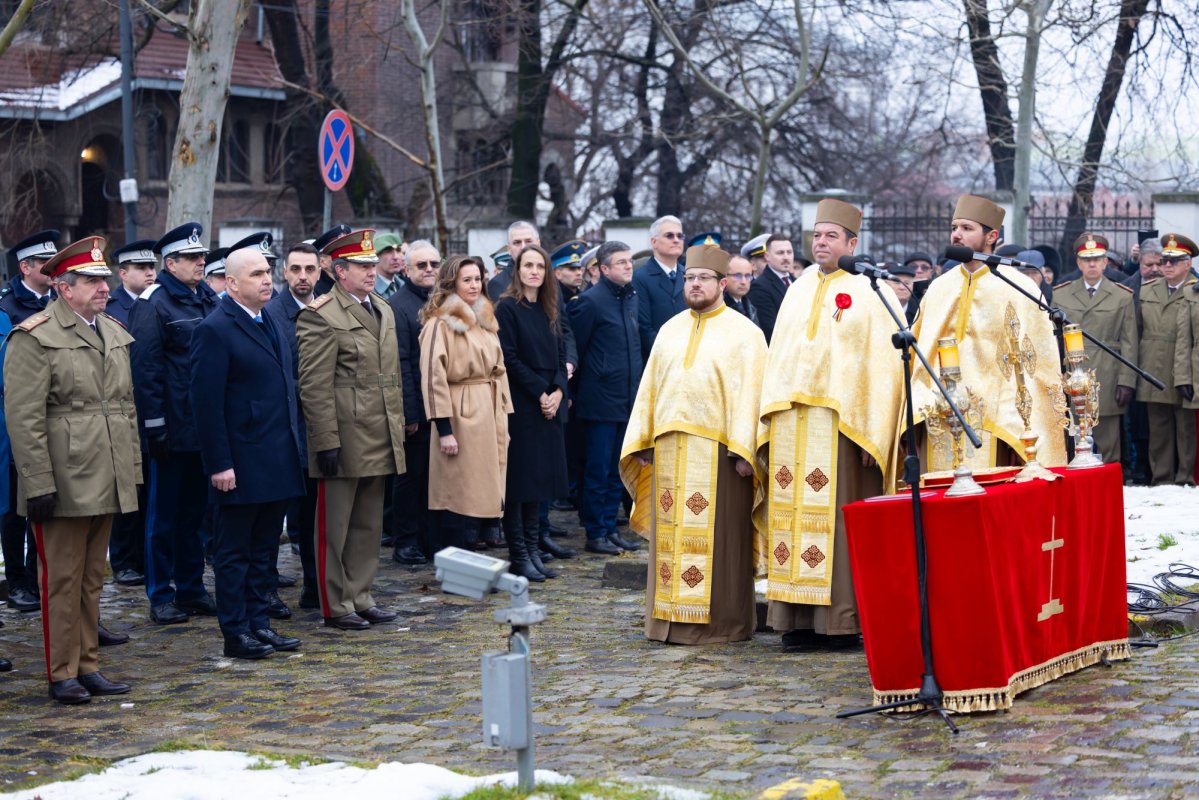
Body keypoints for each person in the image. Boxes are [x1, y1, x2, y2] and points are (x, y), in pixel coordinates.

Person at [757, 199, 904, 650]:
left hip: (841, 428)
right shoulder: (798, 288)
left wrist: (875, 431)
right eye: (816, 236)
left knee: (835, 527)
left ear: (852, 243)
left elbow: (881, 369)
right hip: (791, 425)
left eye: (831, 236)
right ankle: (795, 620)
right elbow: (779, 355)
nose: (820, 243)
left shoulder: (868, 292)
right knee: (791, 523)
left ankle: (839, 622)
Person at [4, 236, 141, 703]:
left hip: (106, 470)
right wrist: (37, 482)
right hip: (63, 477)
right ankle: (61, 670)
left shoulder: (113, 331)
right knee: (60, 579)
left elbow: (125, 409)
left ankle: (88, 664)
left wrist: (132, 470)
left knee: (91, 577)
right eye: (91, 281)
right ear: (64, 288)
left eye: (104, 280)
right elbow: (24, 418)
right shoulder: (35, 336)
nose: (103, 288)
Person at [621, 241, 766, 644]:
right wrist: (645, 439)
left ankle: (721, 626)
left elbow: (751, 394)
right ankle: (666, 620)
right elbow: (650, 389)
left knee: (718, 543)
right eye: (689, 278)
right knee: (671, 537)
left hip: (719, 455)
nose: (694, 284)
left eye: (703, 278)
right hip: (669, 451)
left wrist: (745, 451)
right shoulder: (670, 329)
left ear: (722, 283)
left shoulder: (746, 334)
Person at [190, 247, 306, 659]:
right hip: (239, 461)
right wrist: (219, 463)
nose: (266, 279)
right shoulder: (215, 328)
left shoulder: (267, 319)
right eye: (256, 273)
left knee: (264, 549)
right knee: (234, 552)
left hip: (275, 456)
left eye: (268, 271)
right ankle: (235, 631)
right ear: (232, 283)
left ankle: (260, 622)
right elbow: (206, 405)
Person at [297, 229, 406, 630]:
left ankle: (361, 594)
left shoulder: (383, 308)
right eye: (361, 266)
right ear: (340, 271)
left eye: (372, 264)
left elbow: (390, 375)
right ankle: (335, 603)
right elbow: (314, 385)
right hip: (343, 433)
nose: (371, 272)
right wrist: (325, 439)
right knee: (334, 527)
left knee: (367, 523)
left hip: (378, 431)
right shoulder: (321, 314)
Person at [909, 195, 1067, 471]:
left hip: (996, 420)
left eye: (967, 228)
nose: (957, 234)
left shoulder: (1018, 286)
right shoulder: (938, 288)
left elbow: (1037, 363)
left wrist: (1026, 425)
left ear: (992, 236)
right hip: (938, 414)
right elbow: (918, 354)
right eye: (955, 227)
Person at [130, 222, 220, 625]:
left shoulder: (205, 299)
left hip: (203, 427)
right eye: (192, 258)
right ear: (171, 263)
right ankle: (161, 593)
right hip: (171, 427)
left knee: (195, 516)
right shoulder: (154, 303)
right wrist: (155, 427)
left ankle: (191, 588)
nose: (201, 262)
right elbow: (145, 370)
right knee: (162, 517)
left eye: (202, 256)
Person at [419, 256, 513, 552]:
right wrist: (444, 428)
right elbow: (433, 377)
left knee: (487, 487)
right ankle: (457, 558)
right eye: (466, 280)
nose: (474, 285)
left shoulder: (485, 319)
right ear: (452, 283)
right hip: (461, 412)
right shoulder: (440, 323)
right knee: (460, 491)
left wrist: (504, 413)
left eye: (477, 279)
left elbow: (499, 369)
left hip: (489, 407)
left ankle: (477, 551)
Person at [495, 244, 570, 581]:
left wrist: (557, 391)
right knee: (519, 483)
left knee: (538, 482)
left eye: (540, 266)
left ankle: (533, 549)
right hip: (522, 404)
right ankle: (519, 554)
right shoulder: (508, 308)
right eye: (528, 265)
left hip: (548, 403)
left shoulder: (549, 306)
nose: (534, 271)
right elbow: (508, 358)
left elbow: (560, 354)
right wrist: (541, 392)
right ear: (518, 270)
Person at [567, 241, 642, 555]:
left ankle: (610, 528)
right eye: (621, 262)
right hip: (599, 401)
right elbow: (577, 351)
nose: (628, 266)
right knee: (598, 469)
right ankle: (595, 531)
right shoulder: (589, 302)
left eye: (629, 261)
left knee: (616, 469)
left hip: (626, 398)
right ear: (604, 269)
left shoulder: (630, 299)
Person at [264, 243, 322, 607]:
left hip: (318, 430)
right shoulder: (272, 314)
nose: (303, 277)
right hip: (282, 432)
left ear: (320, 272)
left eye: (310, 269)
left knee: (315, 516)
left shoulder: (325, 308)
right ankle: (266, 591)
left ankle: (315, 588)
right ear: (284, 272)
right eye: (296, 269)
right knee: (275, 519)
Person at [1052, 233, 1137, 465]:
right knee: (1071, 436)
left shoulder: (1122, 296)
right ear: (1078, 263)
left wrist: (1126, 381)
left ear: (1105, 262)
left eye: (1097, 259)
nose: (1092, 264)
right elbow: (1053, 340)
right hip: (1071, 375)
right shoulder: (1060, 294)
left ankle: (1111, 487)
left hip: (1107, 374)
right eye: (1086, 259)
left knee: (1109, 440)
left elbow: (1130, 341)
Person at [387, 239, 440, 567]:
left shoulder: (444, 300)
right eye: (421, 265)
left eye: (434, 264)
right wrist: (410, 413)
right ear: (406, 270)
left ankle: (428, 537)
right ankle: (405, 540)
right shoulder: (399, 305)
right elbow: (401, 363)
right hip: (417, 409)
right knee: (410, 479)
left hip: (443, 407)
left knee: (435, 479)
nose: (429, 270)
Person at [1136, 233, 1197, 485]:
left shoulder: (1195, 290)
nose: (1168, 266)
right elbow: (1138, 330)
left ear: (1188, 263)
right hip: (1154, 366)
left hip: (1187, 368)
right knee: (1158, 428)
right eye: (1164, 261)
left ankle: (1186, 477)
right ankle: (1161, 479)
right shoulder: (1147, 290)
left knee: (1186, 429)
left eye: (1175, 261)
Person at [631, 215, 686, 361]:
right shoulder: (640, 277)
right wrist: (671, 355)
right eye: (669, 235)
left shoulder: (689, 275)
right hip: (659, 359)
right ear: (654, 242)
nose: (676, 240)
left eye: (680, 236)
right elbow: (643, 327)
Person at [747, 234, 794, 343]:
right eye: (780, 253)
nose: (786, 257)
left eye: (789, 252)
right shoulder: (760, 287)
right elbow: (770, 329)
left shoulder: (799, 282)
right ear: (767, 256)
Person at [106, 240, 158, 328]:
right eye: (141, 268)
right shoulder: (109, 309)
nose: (150, 273)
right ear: (124, 274)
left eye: (152, 267)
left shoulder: (161, 301)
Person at [488, 221, 540, 301]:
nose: (523, 247)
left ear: (538, 244)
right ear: (509, 249)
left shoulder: (550, 278)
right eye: (517, 242)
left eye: (528, 241)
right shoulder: (498, 284)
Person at [311, 225, 351, 298]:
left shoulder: (354, 285)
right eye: (338, 254)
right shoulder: (315, 293)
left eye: (348, 252)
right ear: (322, 262)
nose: (346, 258)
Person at [724, 253, 759, 326]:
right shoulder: (719, 307)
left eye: (748, 276)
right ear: (725, 277)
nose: (743, 282)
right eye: (738, 276)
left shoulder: (750, 306)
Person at [374, 233, 405, 299]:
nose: (396, 257)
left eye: (398, 250)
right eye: (388, 251)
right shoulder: (369, 290)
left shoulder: (403, 285)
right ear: (376, 257)